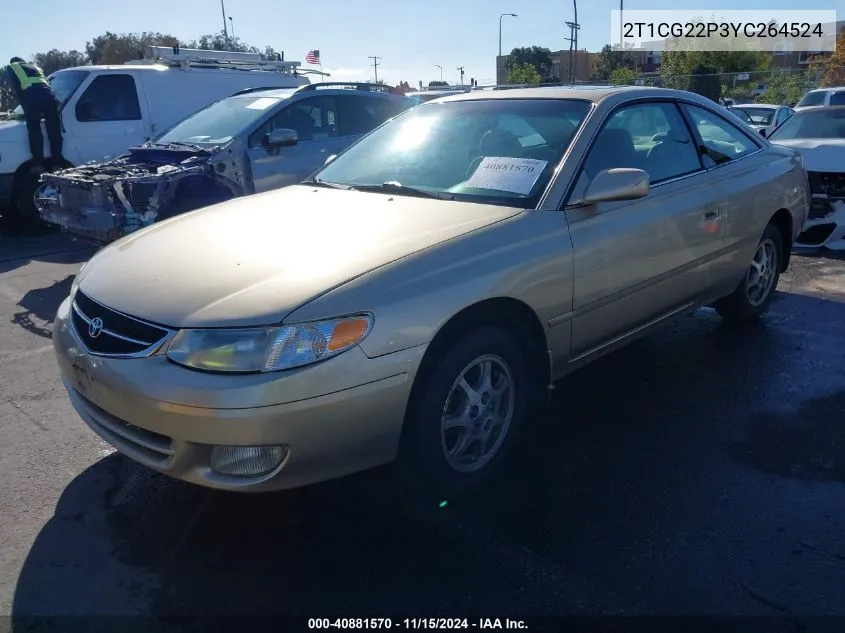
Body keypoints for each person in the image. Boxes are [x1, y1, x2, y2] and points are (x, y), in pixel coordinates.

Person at [3, 57, 63, 165]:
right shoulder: (36, 67)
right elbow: (46, 85)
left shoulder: (12, 67)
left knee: (34, 129)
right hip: (49, 98)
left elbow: (16, 89)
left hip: (32, 99)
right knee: (54, 128)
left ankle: (38, 162)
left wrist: (25, 107)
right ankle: (57, 160)